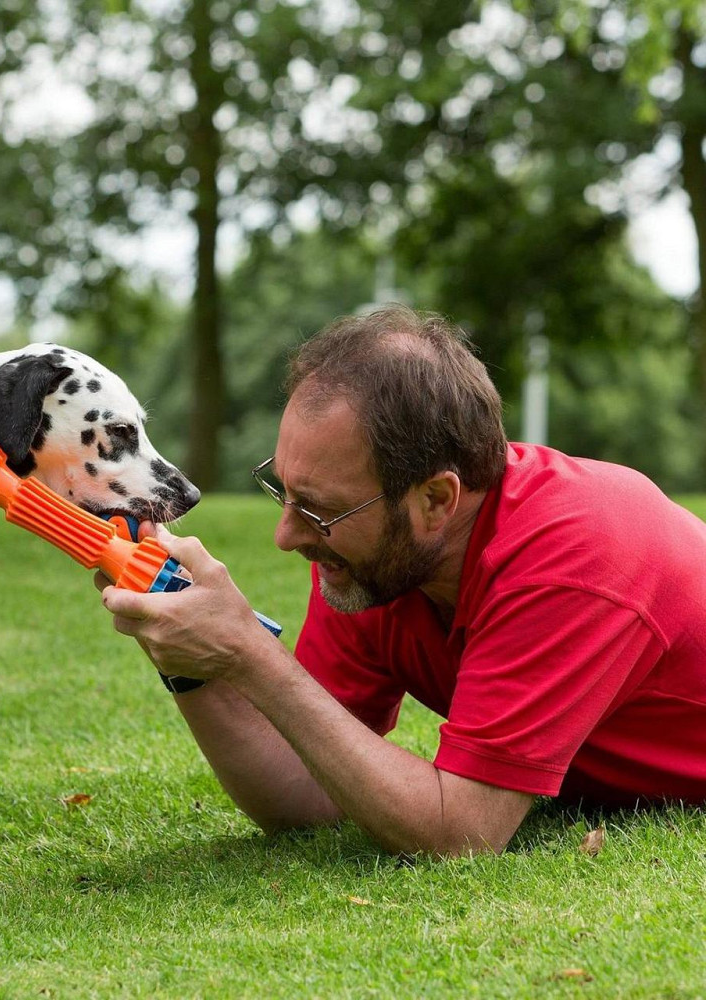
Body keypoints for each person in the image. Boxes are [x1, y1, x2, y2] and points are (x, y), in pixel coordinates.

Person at [99, 304, 706, 856]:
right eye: (283, 491)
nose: (288, 535)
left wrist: (252, 655)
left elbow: (459, 834)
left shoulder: (575, 555)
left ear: (436, 499)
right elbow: (307, 797)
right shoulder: (370, 558)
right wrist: (188, 653)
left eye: (315, 507)